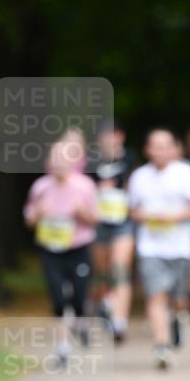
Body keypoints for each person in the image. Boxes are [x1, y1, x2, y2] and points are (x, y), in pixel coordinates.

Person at [128, 129, 190, 369]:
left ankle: (178, 318)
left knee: (178, 299)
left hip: (180, 248)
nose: (160, 151)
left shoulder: (186, 173)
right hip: (150, 248)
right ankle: (161, 346)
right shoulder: (139, 176)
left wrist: (173, 217)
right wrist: (149, 217)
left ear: (174, 148)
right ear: (147, 150)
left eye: (165, 145)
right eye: (155, 146)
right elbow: (132, 210)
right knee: (156, 295)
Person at [23, 137, 98, 364]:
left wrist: (82, 214)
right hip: (50, 249)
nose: (59, 163)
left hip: (78, 248)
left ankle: (80, 322)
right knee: (58, 298)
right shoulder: (41, 187)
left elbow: (96, 220)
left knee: (79, 297)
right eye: (55, 158)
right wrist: (38, 213)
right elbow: (29, 220)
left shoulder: (84, 185)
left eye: (64, 158)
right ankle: (62, 348)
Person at [89, 122, 137, 343]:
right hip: (98, 222)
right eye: (106, 136)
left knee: (120, 268)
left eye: (114, 135)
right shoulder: (91, 161)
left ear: (121, 136)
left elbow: (133, 185)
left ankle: (119, 321)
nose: (110, 140)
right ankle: (103, 303)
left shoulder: (130, 158)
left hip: (122, 221)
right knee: (101, 272)